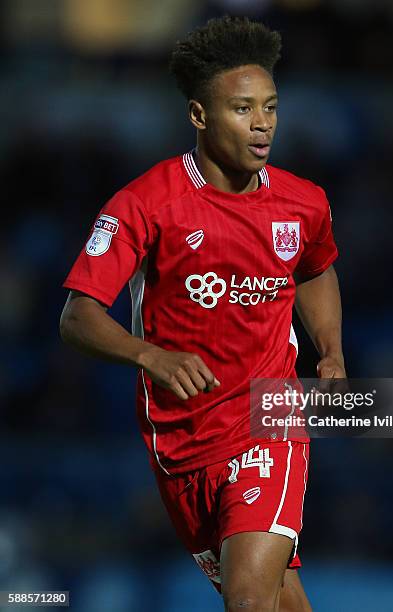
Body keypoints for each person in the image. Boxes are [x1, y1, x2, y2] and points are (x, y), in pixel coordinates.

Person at [60, 15, 345, 612]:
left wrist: (331, 348)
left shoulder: (303, 202)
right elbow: (79, 315)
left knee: (245, 599)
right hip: (180, 442)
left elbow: (315, 269)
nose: (263, 122)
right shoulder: (146, 203)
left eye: (270, 106)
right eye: (243, 109)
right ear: (199, 115)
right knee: (275, 602)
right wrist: (150, 354)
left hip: (270, 416)